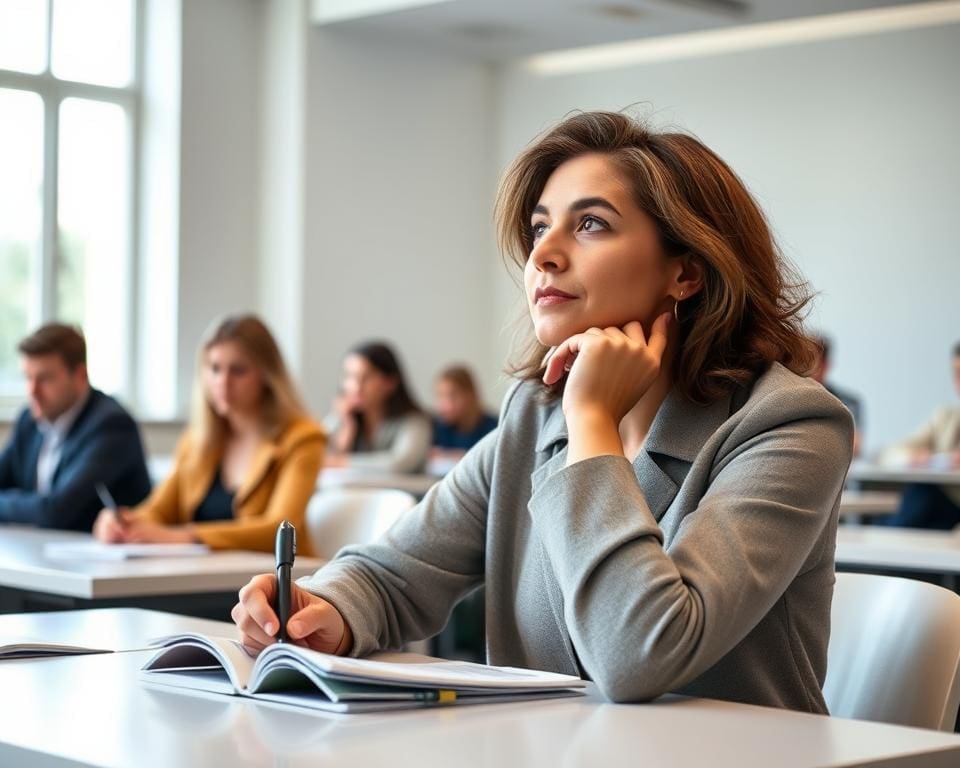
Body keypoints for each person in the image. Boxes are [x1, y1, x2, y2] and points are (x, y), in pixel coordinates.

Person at [232, 111, 853, 713]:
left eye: (591, 225)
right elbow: (395, 576)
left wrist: (591, 423)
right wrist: (323, 611)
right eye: (538, 228)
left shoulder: (791, 423)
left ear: (685, 272)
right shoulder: (534, 415)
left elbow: (640, 653)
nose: (544, 255)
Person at [93, 314, 324, 554]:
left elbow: (281, 528)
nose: (223, 383)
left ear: (266, 375)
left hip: (279, 583)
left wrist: (188, 537)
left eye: (238, 370)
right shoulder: (197, 441)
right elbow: (159, 510)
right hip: (206, 578)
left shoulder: (302, 438)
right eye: (214, 369)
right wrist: (123, 523)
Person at [0, 323, 150, 531]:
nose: (33, 391)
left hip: (100, 558)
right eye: (27, 378)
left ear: (80, 376)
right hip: (37, 551)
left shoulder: (111, 425)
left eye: (45, 379)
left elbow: (56, 511)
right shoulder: (30, 420)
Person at [880, 342, 960, 529]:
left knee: (921, 498)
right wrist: (915, 458)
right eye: (957, 373)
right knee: (919, 495)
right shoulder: (945, 418)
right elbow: (891, 452)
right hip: (944, 508)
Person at [323, 341, 431, 474]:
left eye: (366, 378)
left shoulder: (415, 421)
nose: (356, 387)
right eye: (349, 376)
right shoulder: (342, 416)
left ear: (390, 383)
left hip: (402, 493)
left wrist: (342, 462)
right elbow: (318, 457)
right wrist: (346, 429)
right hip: (351, 493)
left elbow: (400, 463)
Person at [430, 365, 498, 465]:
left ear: (471, 395)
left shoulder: (493, 428)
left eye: (453, 396)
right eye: (440, 396)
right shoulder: (439, 427)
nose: (444, 405)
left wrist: (450, 456)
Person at [810, 334, 863, 456]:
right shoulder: (792, 399)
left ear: (825, 366)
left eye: (811, 361)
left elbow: (854, 446)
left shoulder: (849, 402)